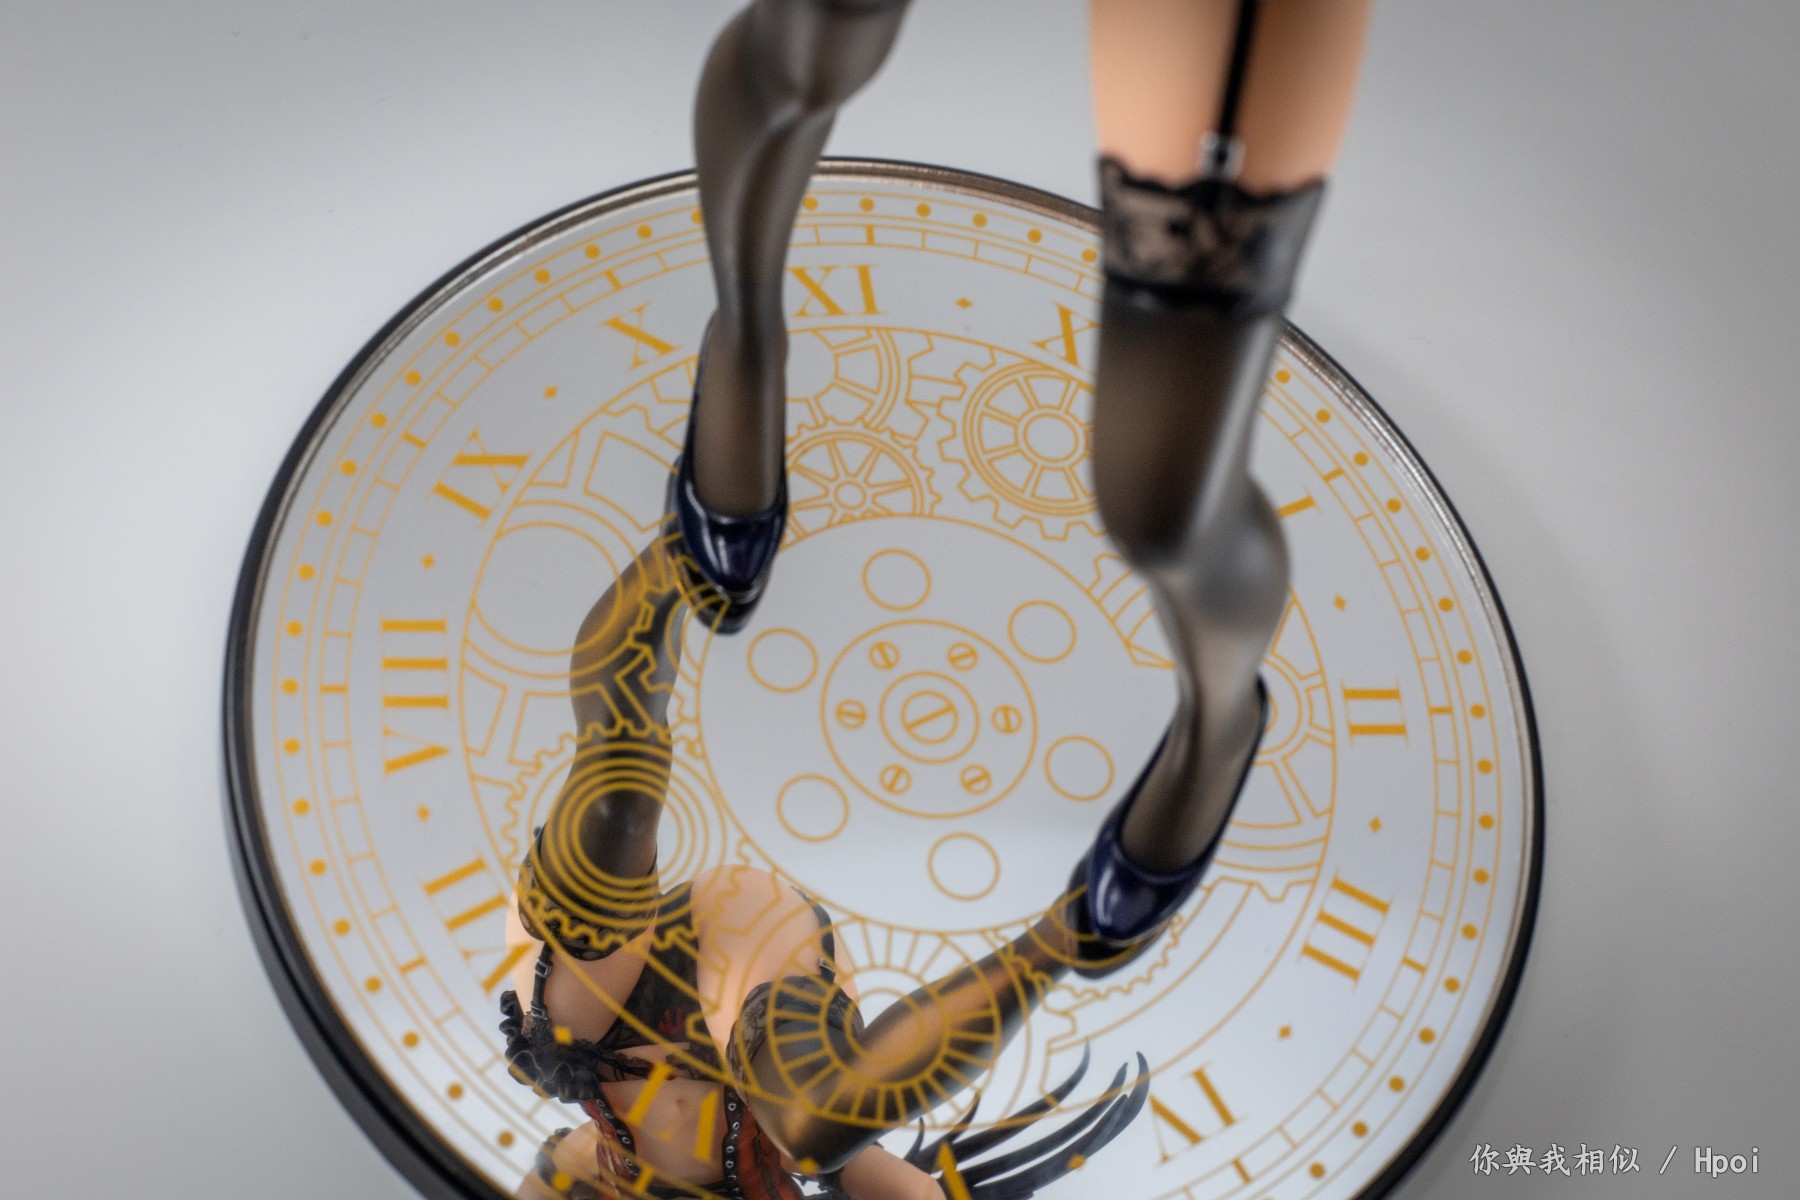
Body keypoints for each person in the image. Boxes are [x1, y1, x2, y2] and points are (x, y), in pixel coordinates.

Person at [503, 1, 1373, 1195]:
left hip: (604, 1022)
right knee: (814, 1117)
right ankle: (1155, 825)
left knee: (615, 803)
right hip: (766, 1029)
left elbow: (552, 1150)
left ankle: (699, 537)